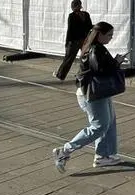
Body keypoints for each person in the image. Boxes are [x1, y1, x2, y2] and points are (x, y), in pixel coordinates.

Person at [52, 21, 124, 171]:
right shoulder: (95, 49)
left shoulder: (96, 47)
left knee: (109, 122)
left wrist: (114, 63)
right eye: (109, 35)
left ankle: (103, 156)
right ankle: (64, 150)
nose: (111, 38)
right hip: (92, 93)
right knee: (99, 126)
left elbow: (100, 68)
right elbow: (100, 70)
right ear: (99, 35)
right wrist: (116, 63)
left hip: (98, 91)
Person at [53, 0, 93, 81]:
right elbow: (89, 26)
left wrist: (67, 42)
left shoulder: (71, 16)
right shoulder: (86, 14)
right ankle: (85, 75)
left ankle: (61, 75)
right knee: (86, 59)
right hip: (84, 40)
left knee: (68, 59)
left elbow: (70, 30)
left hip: (74, 41)